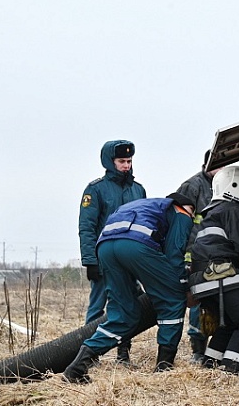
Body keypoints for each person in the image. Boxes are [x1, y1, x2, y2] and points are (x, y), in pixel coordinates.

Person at [64, 193, 196, 382]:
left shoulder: (144, 206)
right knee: (172, 300)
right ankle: (163, 369)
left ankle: (76, 368)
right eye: (193, 212)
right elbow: (174, 253)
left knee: (123, 314)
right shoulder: (181, 212)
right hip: (136, 246)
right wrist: (183, 286)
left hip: (105, 247)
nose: (192, 217)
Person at [188, 166, 239, 375]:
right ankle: (233, 373)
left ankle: (211, 370)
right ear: (234, 187)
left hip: (202, 281)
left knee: (230, 324)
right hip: (223, 275)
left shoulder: (211, 214)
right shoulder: (232, 209)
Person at [79, 140, 146, 364]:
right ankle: (89, 357)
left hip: (131, 259)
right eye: (121, 161)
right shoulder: (95, 189)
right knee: (97, 308)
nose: (126, 166)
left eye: (129, 161)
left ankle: (123, 352)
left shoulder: (138, 190)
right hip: (103, 260)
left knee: (129, 305)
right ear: (110, 162)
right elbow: (87, 227)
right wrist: (90, 261)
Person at [175, 149, 222, 364]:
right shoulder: (192, 186)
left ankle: (214, 348)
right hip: (193, 255)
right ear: (207, 165)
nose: (222, 171)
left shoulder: (223, 185)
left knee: (214, 300)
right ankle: (197, 349)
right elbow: (180, 222)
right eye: (218, 166)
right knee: (197, 300)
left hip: (215, 254)